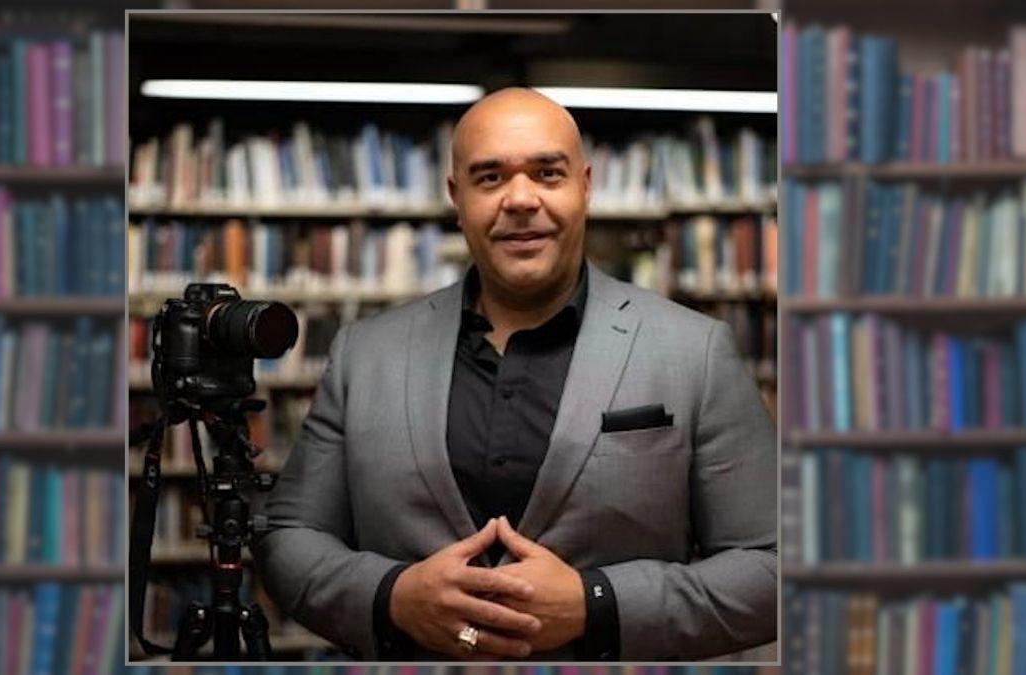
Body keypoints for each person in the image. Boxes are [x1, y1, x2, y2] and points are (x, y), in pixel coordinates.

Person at [254, 87, 777, 661]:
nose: (520, 199)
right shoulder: (365, 353)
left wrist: (596, 603)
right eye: (490, 178)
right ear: (457, 198)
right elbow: (289, 539)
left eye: (548, 174)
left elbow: (771, 567)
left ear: (586, 185)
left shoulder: (693, 351)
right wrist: (391, 597)